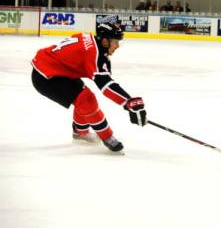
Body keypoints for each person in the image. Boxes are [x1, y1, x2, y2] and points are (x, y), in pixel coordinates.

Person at [31, 22, 147, 153]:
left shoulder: (90, 40)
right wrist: (129, 102)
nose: (117, 46)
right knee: (86, 99)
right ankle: (107, 137)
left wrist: (127, 101)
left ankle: (80, 132)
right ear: (105, 41)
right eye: (115, 42)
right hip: (46, 77)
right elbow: (106, 86)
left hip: (53, 69)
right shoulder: (95, 54)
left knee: (83, 97)